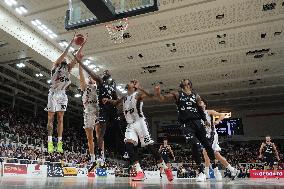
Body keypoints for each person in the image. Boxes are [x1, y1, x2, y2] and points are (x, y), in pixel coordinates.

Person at [102, 80, 174, 181]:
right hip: (130, 124)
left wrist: (140, 87)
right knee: (128, 145)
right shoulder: (124, 97)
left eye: (131, 82)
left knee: (150, 147)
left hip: (140, 122)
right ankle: (139, 171)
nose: (129, 82)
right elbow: (116, 102)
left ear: (134, 87)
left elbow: (149, 95)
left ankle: (166, 169)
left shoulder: (137, 94)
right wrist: (108, 100)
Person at [154, 79, 216, 182]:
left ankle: (215, 167)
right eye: (182, 80)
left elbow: (200, 109)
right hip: (186, 124)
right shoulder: (177, 94)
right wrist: (158, 93)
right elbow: (163, 98)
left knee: (207, 145)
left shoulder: (196, 95)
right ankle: (201, 172)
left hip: (198, 123)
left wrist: (205, 120)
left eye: (185, 80)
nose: (183, 80)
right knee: (194, 145)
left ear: (189, 84)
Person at [45, 34, 80, 153]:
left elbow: (76, 60)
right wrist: (71, 43)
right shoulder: (55, 66)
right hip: (53, 93)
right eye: (63, 59)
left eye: (65, 59)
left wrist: (82, 45)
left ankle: (59, 143)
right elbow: (65, 54)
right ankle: (50, 142)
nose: (65, 59)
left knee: (60, 118)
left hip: (63, 94)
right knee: (51, 117)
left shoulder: (68, 69)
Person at [200, 99, 239, 181]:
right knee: (217, 155)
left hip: (212, 134)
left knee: (205, 151)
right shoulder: (197, 115)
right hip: (205, 136)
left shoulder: (209, 112)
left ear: (205, 104)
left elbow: (222, 115)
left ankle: (206, 173)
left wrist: (217, 121)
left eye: (201, 102)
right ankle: (233, 170)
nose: (199, 104)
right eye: (198, 103)